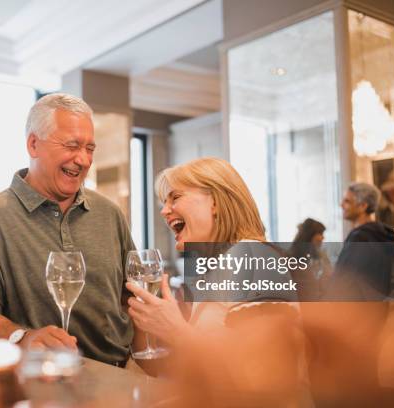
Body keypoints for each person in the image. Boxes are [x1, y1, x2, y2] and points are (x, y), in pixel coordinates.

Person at [0, 93, 134, 366]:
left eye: (90, 148)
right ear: (33, 144)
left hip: (119, 376)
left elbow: (130, 297)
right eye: (72, 145)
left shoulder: (110, 214)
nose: (84, 160)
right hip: (37, 381)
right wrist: (22, 338)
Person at [126, 158, 311, 405]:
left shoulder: (253, 256)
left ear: (215, 202)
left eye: (175, 197)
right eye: (164, 202)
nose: (164, 210)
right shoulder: (218, 269)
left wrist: (175, 330)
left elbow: (264, 374)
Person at [332, 182, 394, 298]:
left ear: (363, 206)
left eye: (347, 201)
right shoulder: (384, 234)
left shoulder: (359, 237)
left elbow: (342, 280)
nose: (341, 204)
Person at [289, 218, 332, 299]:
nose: (323, 238)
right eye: (320, 233)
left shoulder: (320, 256)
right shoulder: (292, 258)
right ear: (309, 235)